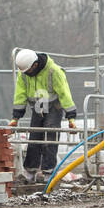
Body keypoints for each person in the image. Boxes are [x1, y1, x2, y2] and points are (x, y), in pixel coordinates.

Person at [10, 48, 77, 183]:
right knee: (34, 137)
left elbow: (65, 94)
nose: (27, 74)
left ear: (35, 65)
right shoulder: (24, 72)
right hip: (37, 106)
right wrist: (15, 117)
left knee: (49, 137)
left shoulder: (54, 71)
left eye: (28, 71)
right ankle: (30, 172)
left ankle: (48, 173)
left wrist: (71, 117)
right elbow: (20, 94)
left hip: (54, 106)